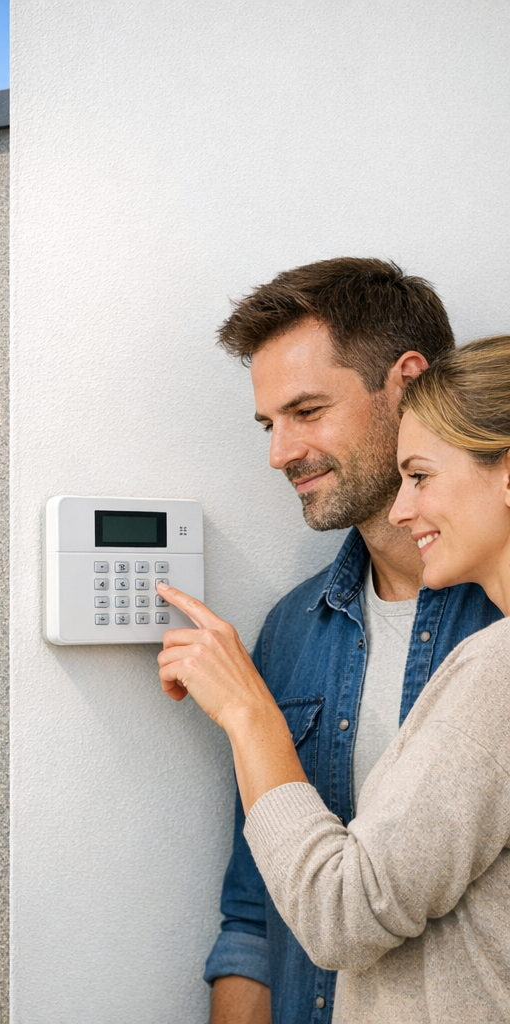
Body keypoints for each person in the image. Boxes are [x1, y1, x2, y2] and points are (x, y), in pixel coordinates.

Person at [158, 334, 510, 1022]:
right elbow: (258, 910)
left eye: (307, 409)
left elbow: (343, 914)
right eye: (268, 425)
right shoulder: (293, 628)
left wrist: (251, 718)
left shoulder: (494, 662)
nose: (279, 453)